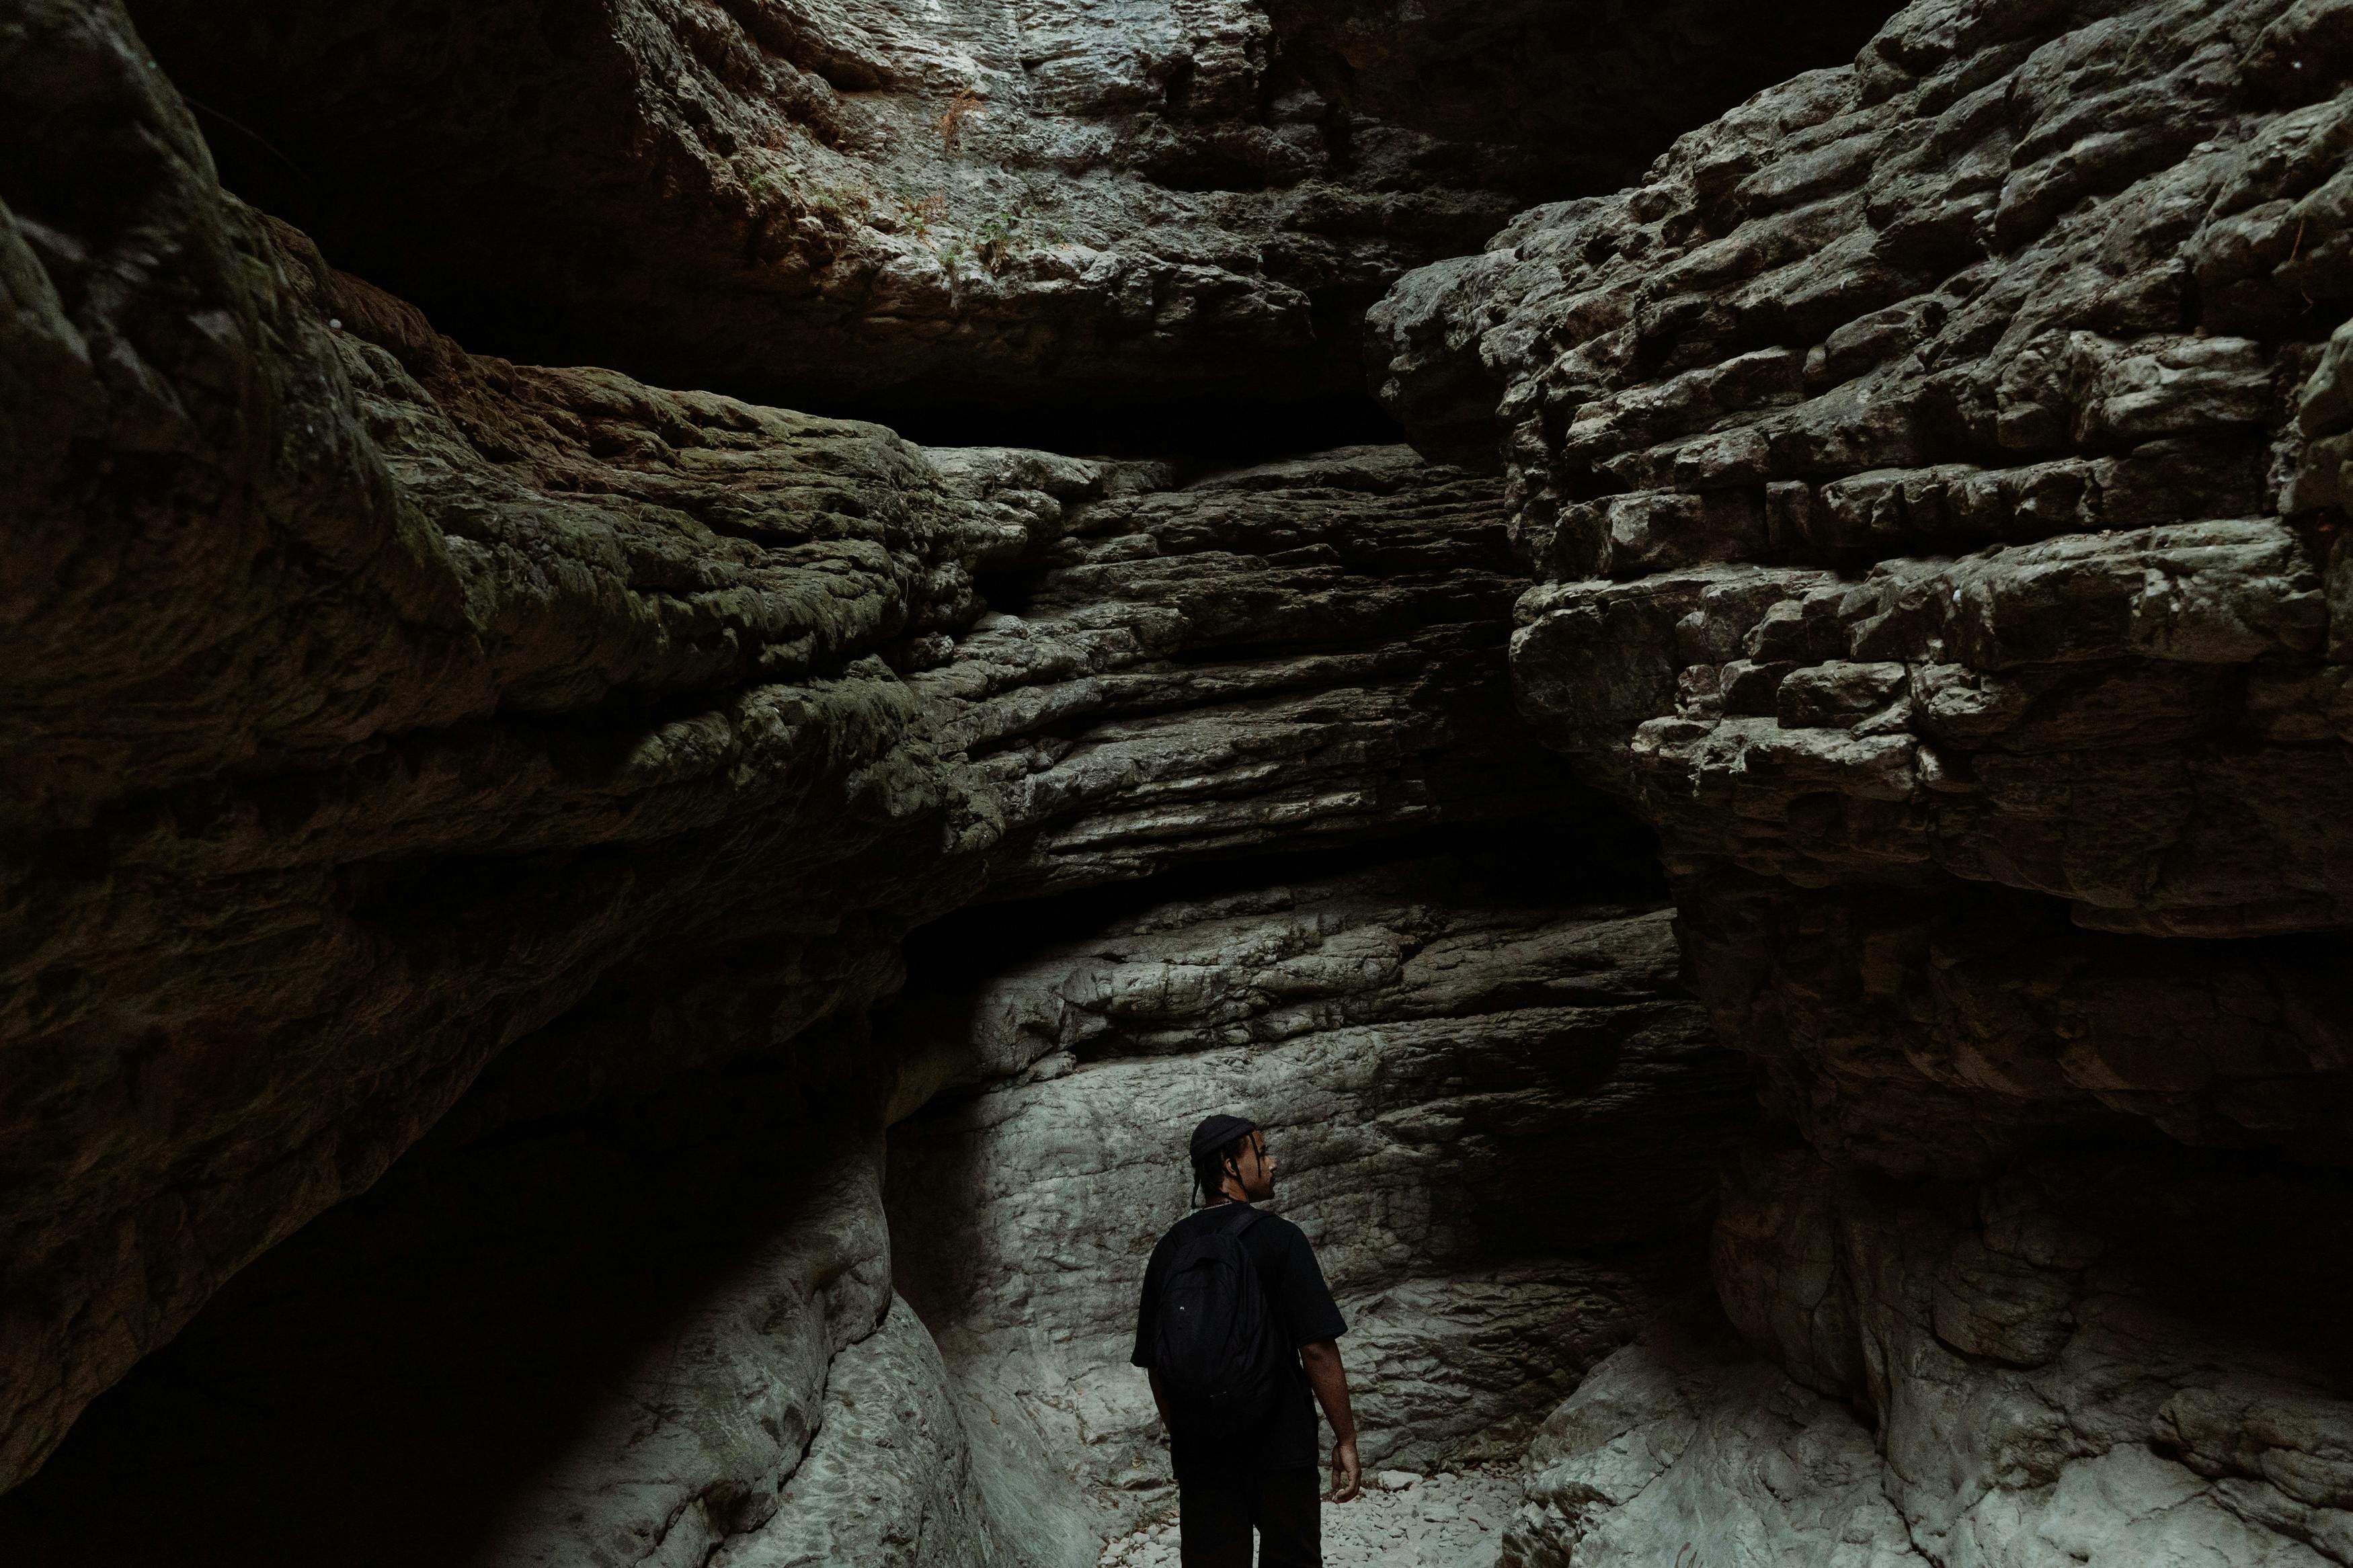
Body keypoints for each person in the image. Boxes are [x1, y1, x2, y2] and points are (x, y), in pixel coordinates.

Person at [1131, 1113, 1361, 1567]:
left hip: (1203, 1453)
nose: (1273, 1162)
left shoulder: (1170, 1250)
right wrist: (1346, 1438)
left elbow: (1157, 1364)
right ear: (1229, 1165)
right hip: (1282, 1447)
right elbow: (1316, 1348)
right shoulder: (1281, 1239)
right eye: (1261, 1150)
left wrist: (1188, 1435)